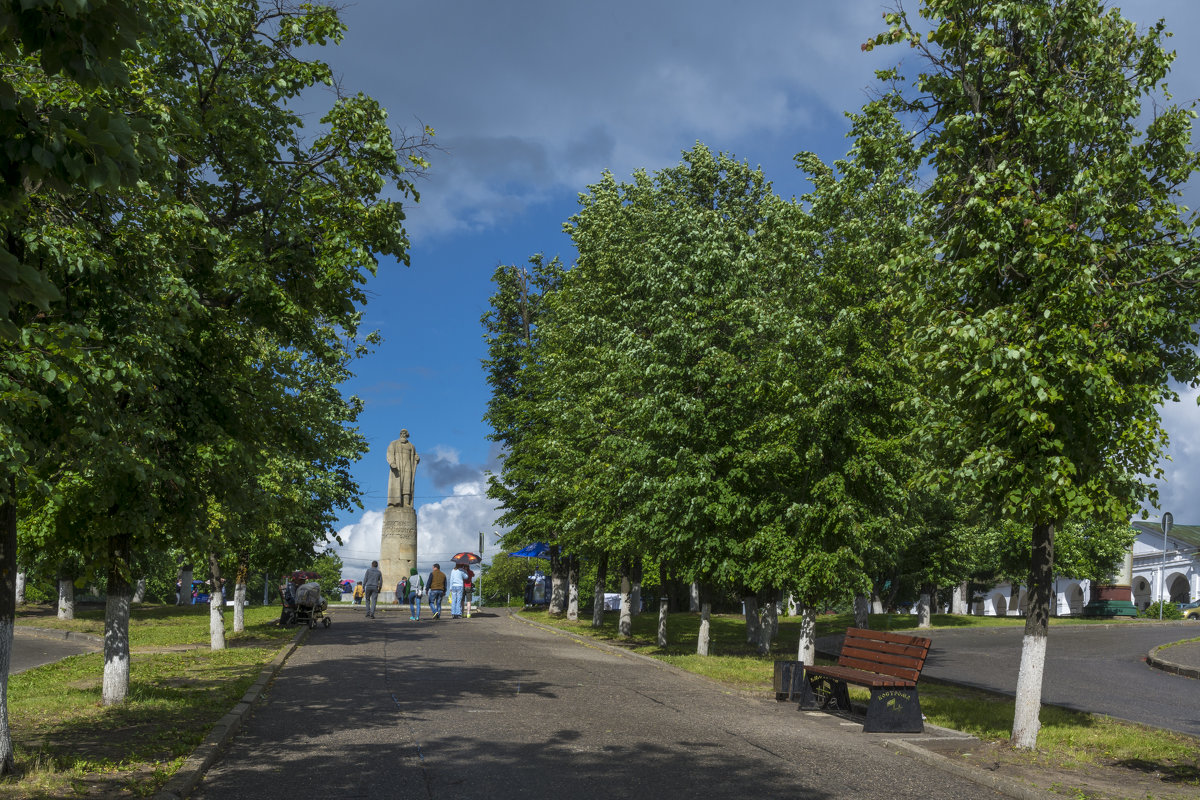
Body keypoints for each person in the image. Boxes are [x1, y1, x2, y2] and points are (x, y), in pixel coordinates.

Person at [386, 428, 420, 507]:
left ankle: (406, 502)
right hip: (397, 466)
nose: (403, 434)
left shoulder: (411, 446)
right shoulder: (393, 443)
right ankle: (393, 503)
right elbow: (390, 453)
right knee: (396, 485)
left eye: (405, 433)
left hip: (408, 466)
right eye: (402, 433)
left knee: (407, 484)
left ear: (407, 435)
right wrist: (392, 463)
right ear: (400, 434)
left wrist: (417, 458)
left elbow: (415, 455)